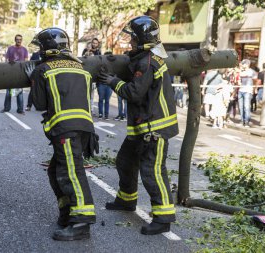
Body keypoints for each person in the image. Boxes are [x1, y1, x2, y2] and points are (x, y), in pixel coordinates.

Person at [97, 16, 178, 235]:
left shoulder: (148, 62)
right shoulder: (146, 58)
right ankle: (126, 200)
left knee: (152, 171)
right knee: (125, 161)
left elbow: (134, 93)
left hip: (154, 129)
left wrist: (112, 81)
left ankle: (163, 218)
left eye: (133, 38)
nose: (130, 42)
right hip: (143, 128)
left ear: (142, 39)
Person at [29, 27, 98, 241]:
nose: (39, 51)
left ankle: (81, 223)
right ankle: (67, 212)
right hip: (85, 128)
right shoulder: (82, 68)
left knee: (71, 172)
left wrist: (33, 79)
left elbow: (39, 103)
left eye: (40, 47)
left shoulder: (43, 69)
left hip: (64, 129)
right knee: (55, 171)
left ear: (48, 48)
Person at [0, 34, 28, 114]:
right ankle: (6, 108)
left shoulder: (24, 50)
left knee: (20, 92)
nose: (19, 41)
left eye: (20, 39)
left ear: (21, 41)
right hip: (10, 73)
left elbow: (26, 62)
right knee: (9, 91)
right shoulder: (10, 49)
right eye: (17, 39)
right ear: (15, 40)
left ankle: (20, 110)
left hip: (20, 73)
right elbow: (6, 60)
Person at [82, 38, 101, 116]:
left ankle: (92, 110)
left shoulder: (98, 52)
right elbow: (82, 60)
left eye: (96, 43)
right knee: (85, 94)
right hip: (86, 75)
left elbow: (99, 62)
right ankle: (85, 109)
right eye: (93, 43)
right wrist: (87, 52)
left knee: (92, 95)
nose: (94, 44)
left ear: (98, 44)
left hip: (94, 77)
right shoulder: (85, 50)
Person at [238, 59, 258, 127]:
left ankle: (247, 121)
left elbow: (255, 81)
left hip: (248, 91)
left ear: (247, 64)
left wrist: (254, 89)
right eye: (242, 63)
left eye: (244, 64)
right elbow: (239, 80)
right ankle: (241, 120)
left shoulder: (252, 72)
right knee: (241, 107)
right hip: (240, 90)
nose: (242, 65)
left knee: (246, 106)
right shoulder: (241, 71)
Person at [97, 51, 113, 120]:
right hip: (101, 84)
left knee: (107, 100)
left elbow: (115, 74)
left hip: (109, 85)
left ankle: (106, 115)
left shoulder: (113, 66)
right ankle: (100, 114)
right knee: (101, 99)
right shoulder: (101, 65)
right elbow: (97, 73)